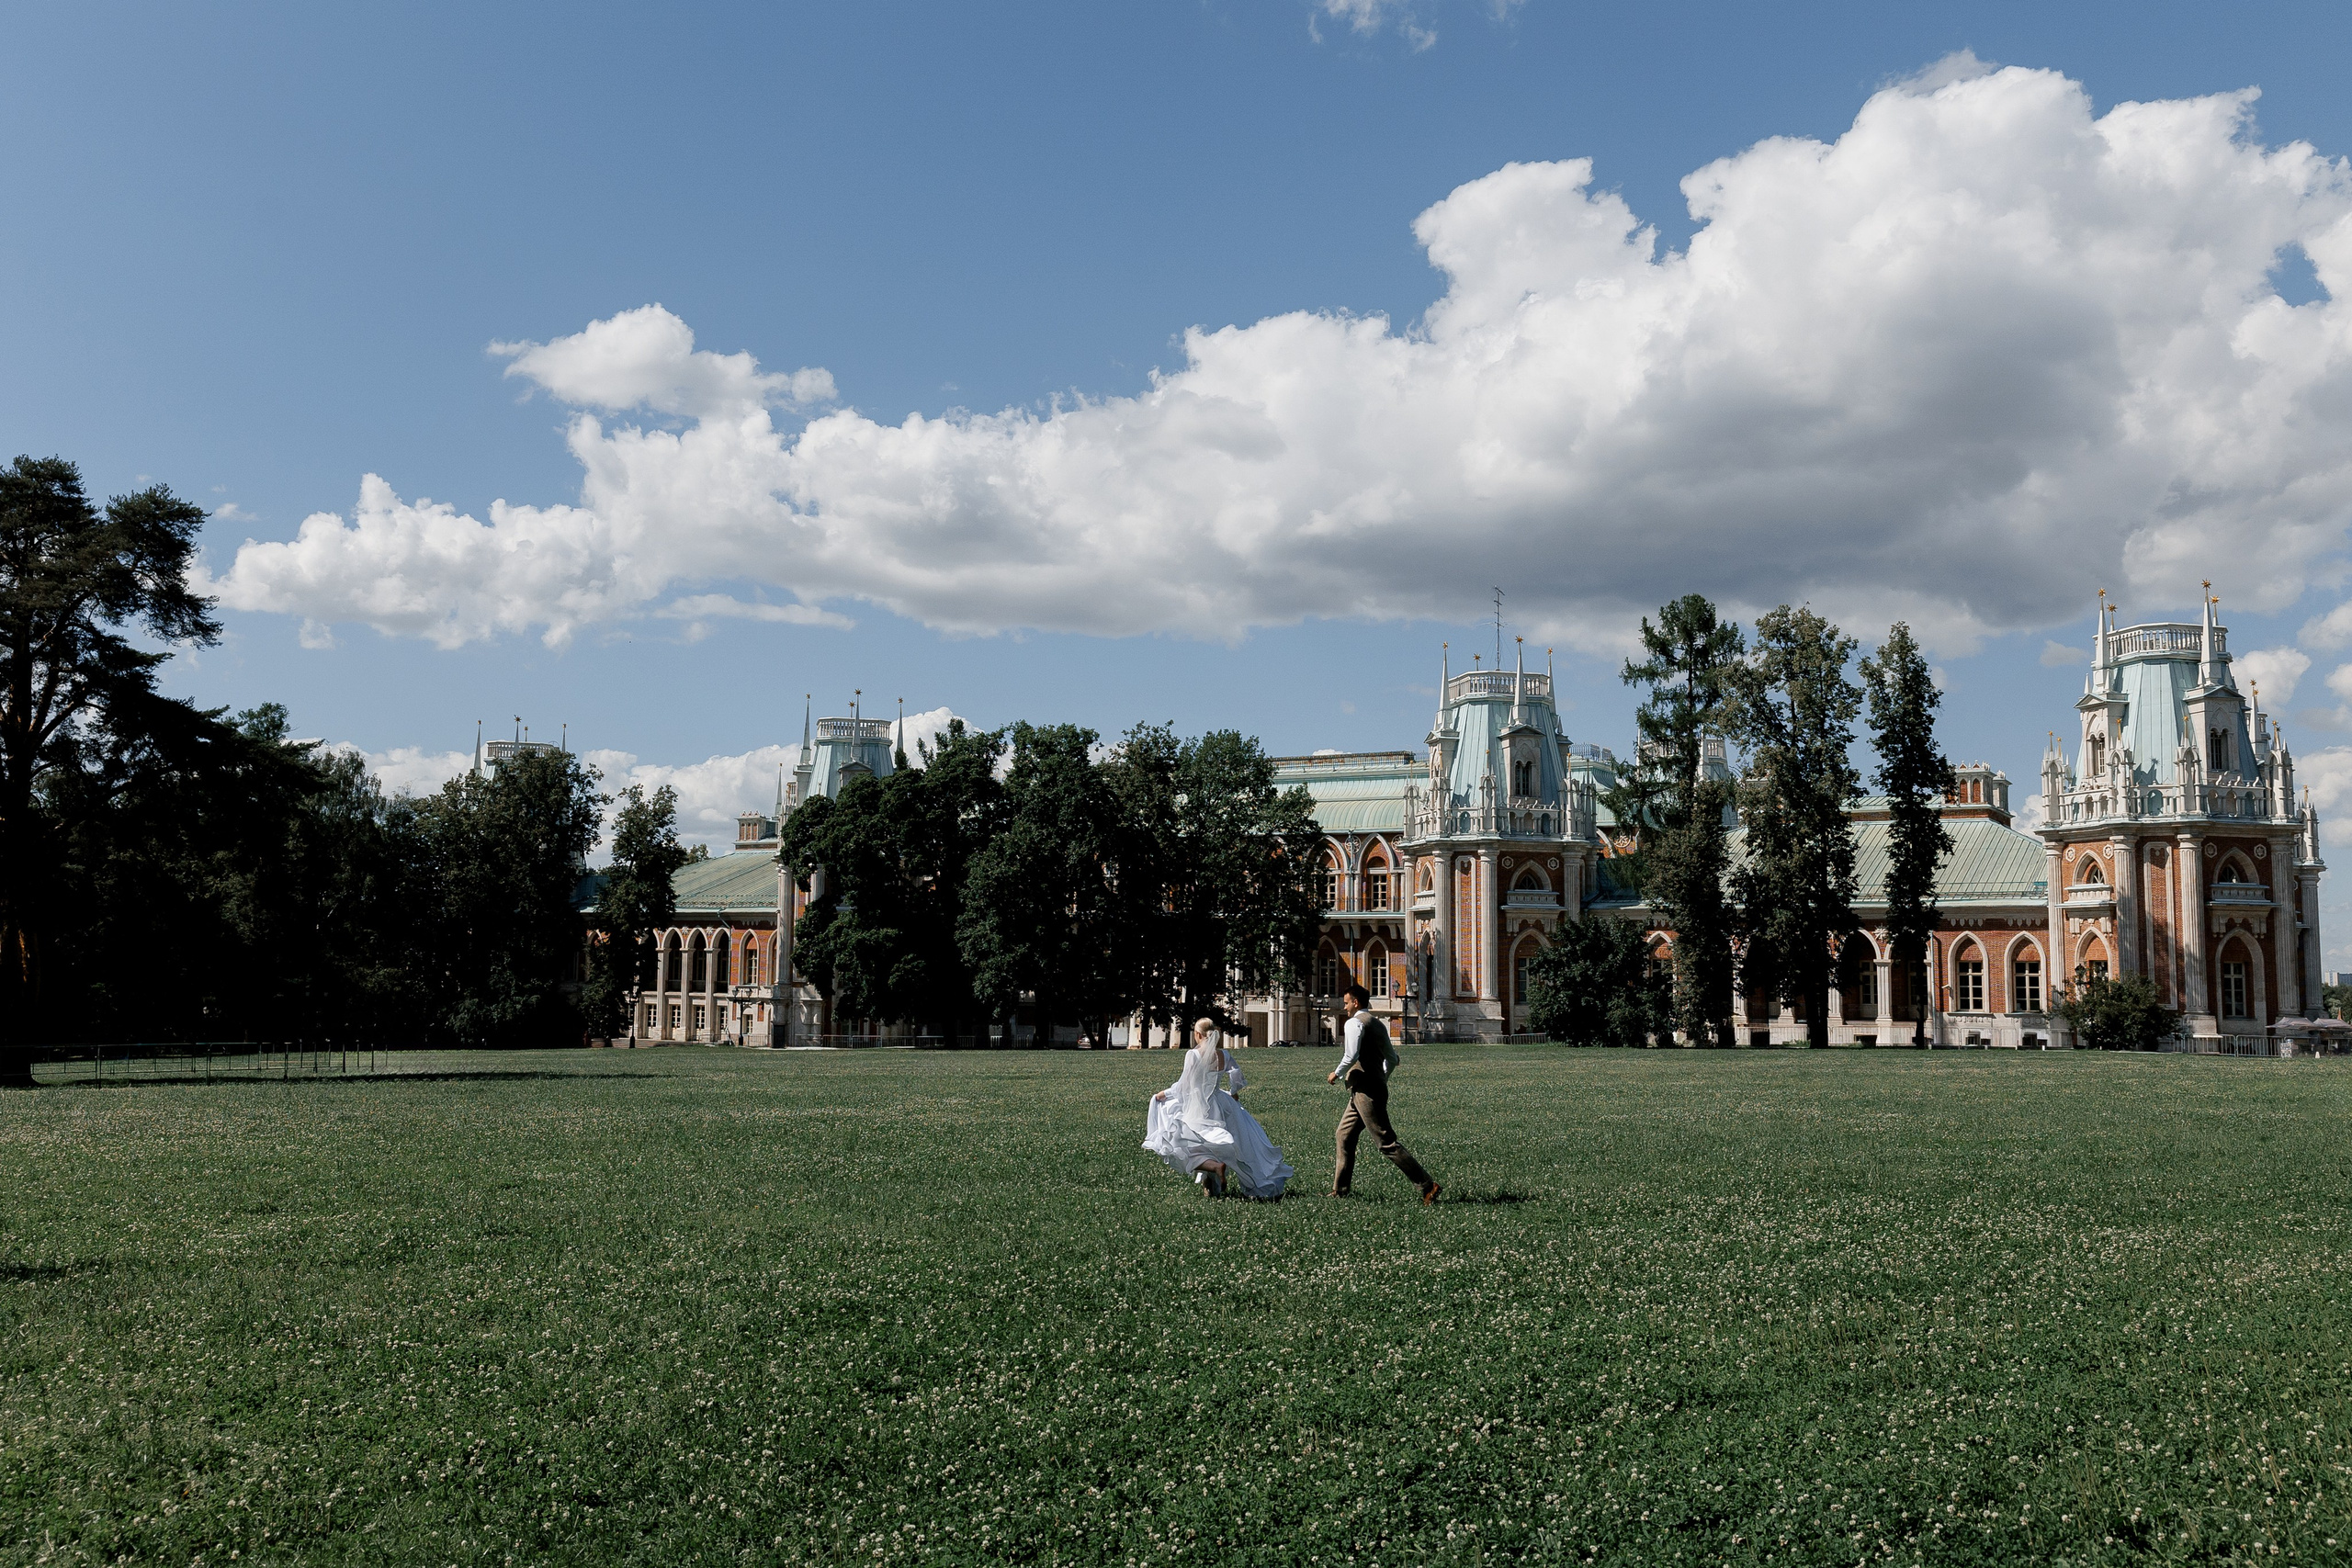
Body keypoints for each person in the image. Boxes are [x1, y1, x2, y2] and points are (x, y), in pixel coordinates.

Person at [1143, 1019, 1295, 1199]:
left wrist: (1165, 1094)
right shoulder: (1224, 1054)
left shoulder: (1193, 1055)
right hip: (1221, 1103)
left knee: (1184, 1142)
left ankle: (1214, 1167)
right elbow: (1236, 1075)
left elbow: (1184, 1084)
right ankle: (1211, 1188)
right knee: (1217, 1143)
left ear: (1197, 1035)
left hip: (1199, 1104)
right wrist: (1234, 1092)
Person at [1328, 984, 1440, 1203]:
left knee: (1385, 1142)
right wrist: (1382, 1078)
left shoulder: (1354, 1024)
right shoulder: (1378, 1025)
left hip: (1365, 1091)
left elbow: (1351, 1055)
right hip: (1369, 1089)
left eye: (1346, 1002)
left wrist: (1336, 1073)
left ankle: (1427, 1185)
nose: (1344, 1006)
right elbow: (1393, 1058)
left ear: (1356, 1002)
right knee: (1344, 1135)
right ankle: (1340, 1191)